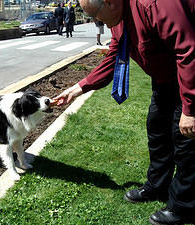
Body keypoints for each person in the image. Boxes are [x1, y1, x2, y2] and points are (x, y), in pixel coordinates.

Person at [54, 0, 195, 224]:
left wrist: (190, 107)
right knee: (157, 128)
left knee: (186, 138)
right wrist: (79, 87)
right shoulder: (117, 18)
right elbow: (114, 54)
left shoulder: (156, 4)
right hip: (165, 78)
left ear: (110, 2)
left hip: (189, 73)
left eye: (95, 16)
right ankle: (158, 187)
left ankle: (184, 205)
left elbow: (188, 50)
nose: (95, 22)